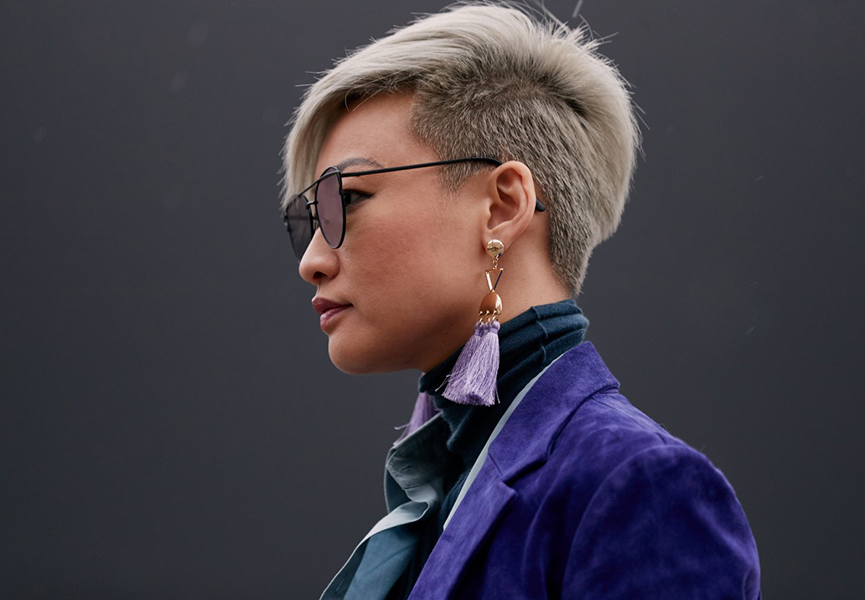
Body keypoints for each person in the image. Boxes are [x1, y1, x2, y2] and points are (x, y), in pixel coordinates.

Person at [280, 3, 761, 599]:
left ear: (503, 205)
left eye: (346, 200)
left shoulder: (642, 488)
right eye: (309, 219)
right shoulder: (447, 484)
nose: (312, 260)